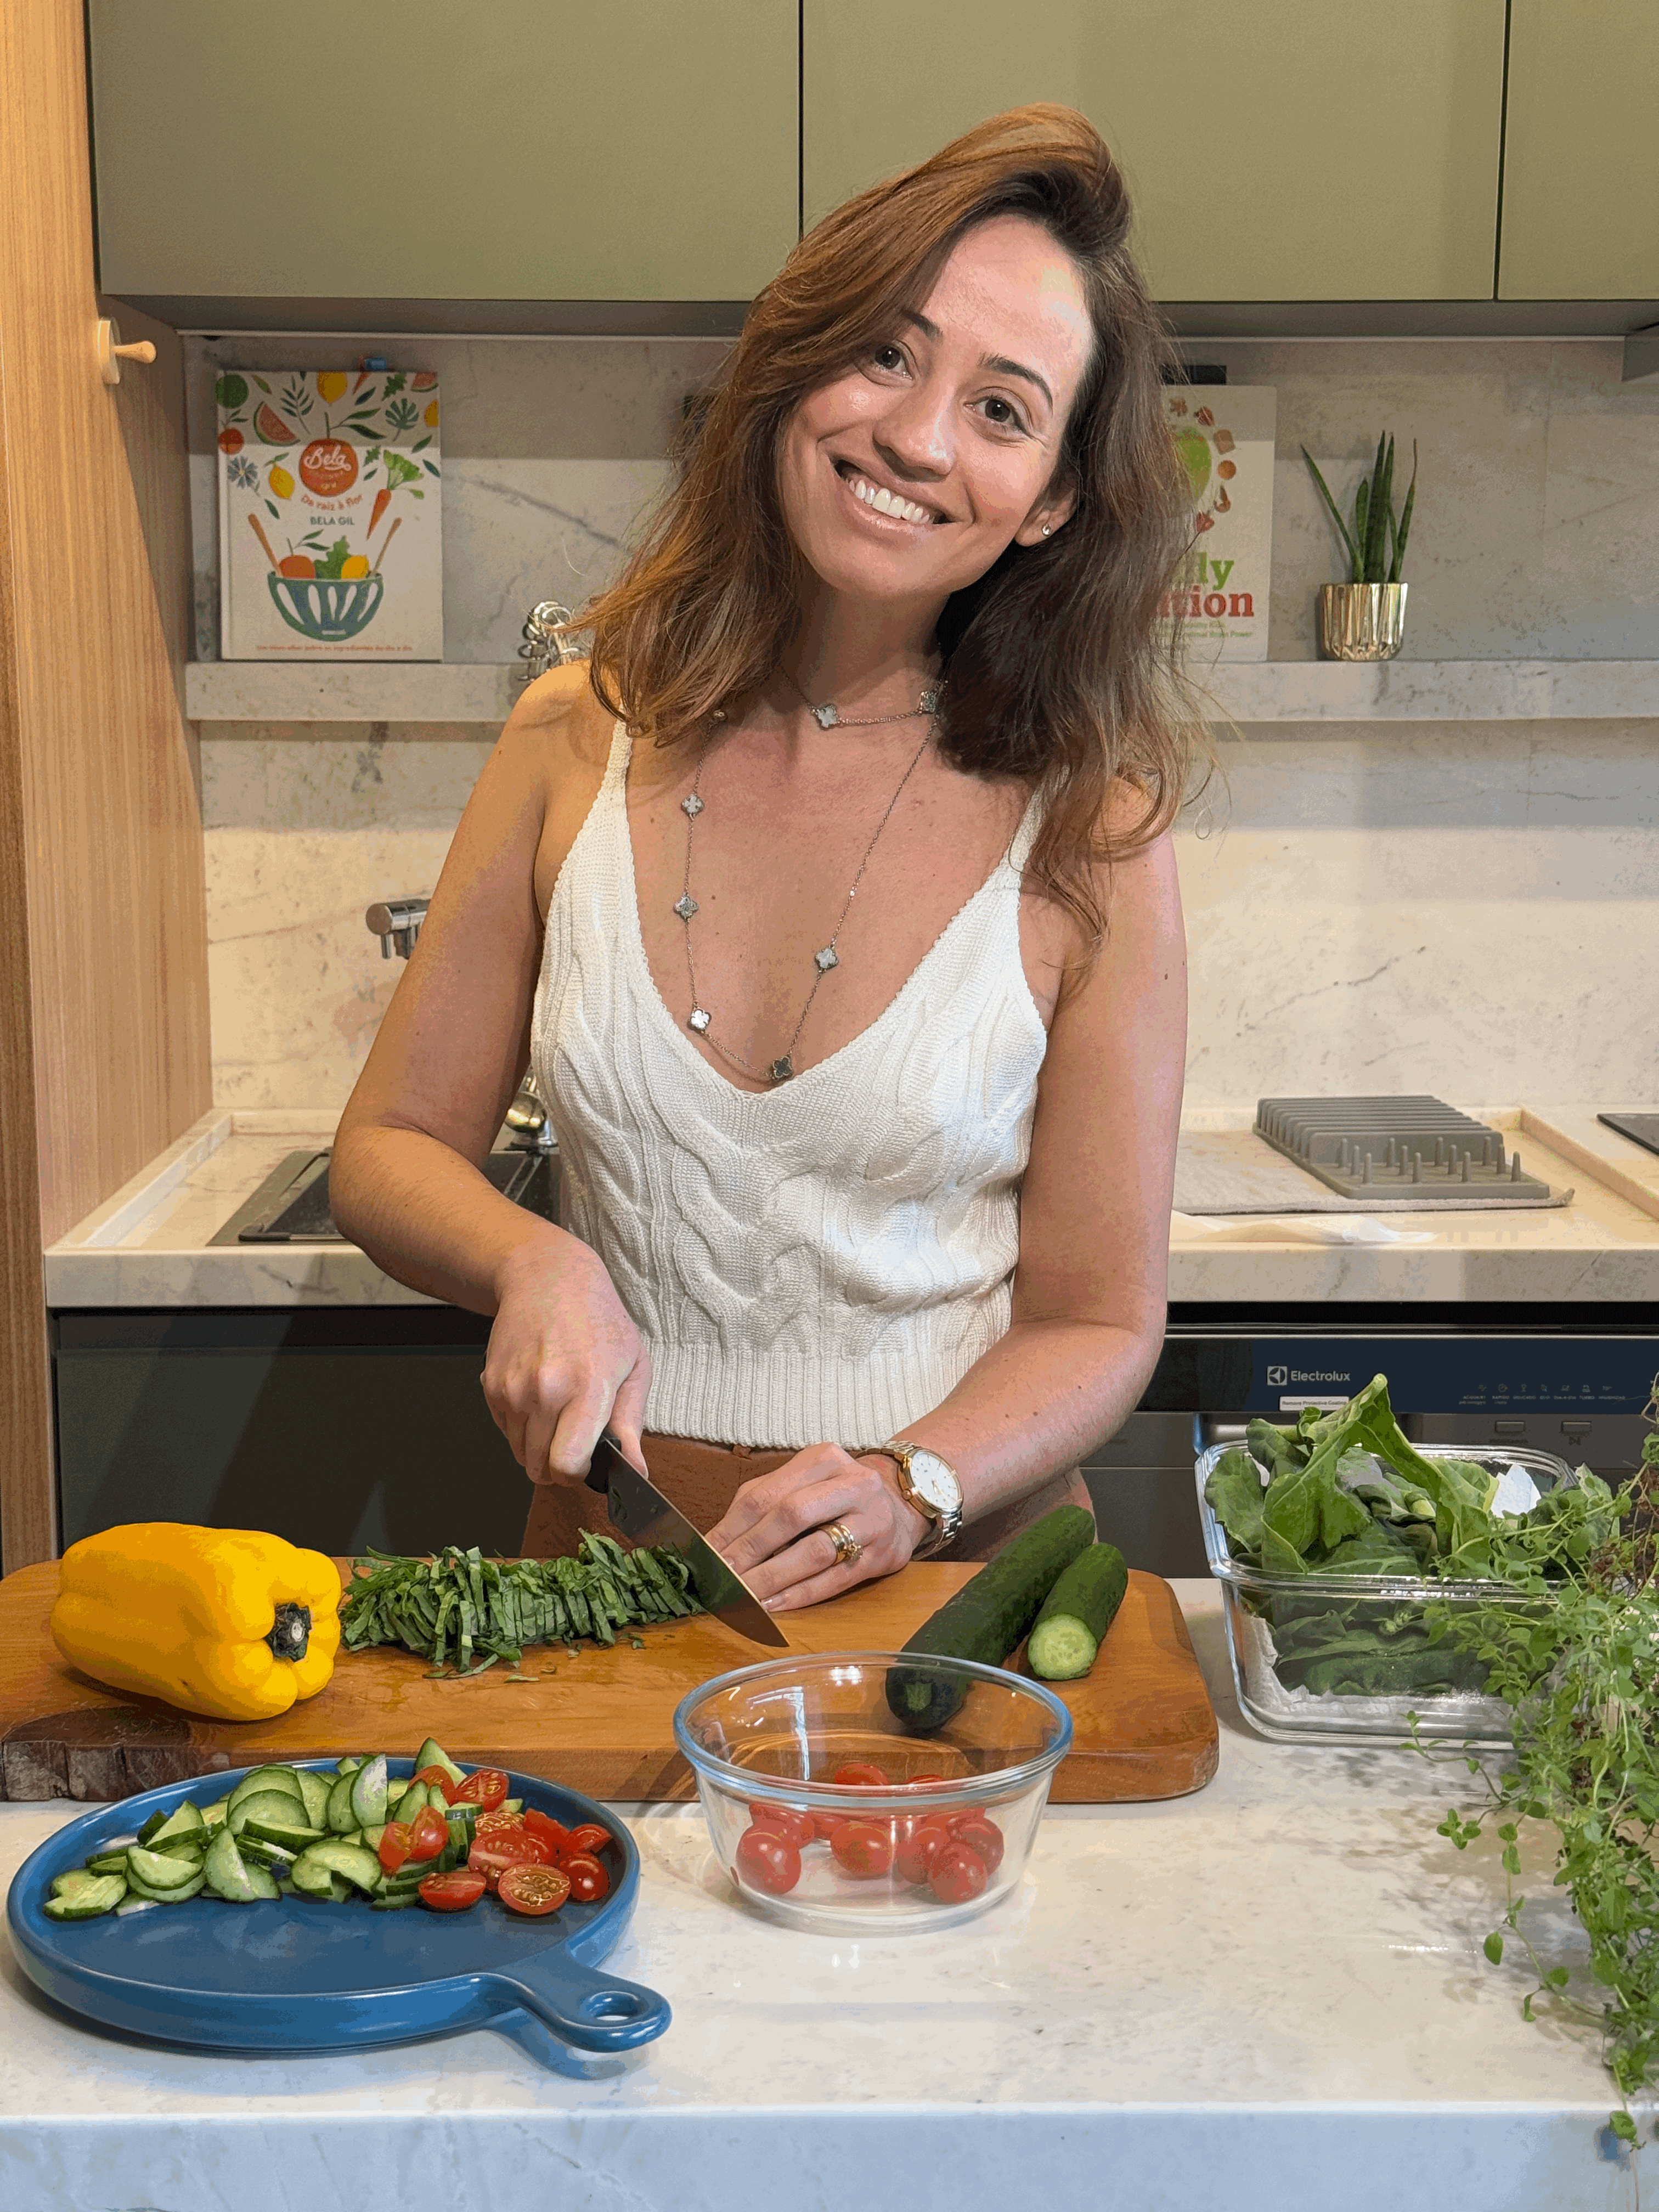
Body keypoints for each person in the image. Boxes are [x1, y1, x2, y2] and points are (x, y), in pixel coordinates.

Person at [330, 104, 1207, 1615]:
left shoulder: (1094, 831)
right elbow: (388, 1149)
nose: (919, 438)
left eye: (1003, 411)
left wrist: (912, 1483)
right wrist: (536, 1264)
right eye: (888, 352)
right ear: (797, 360)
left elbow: (1100, 1316)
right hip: (617, 1563)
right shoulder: (568, 737)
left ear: (1051, 498)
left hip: (960, 1586)